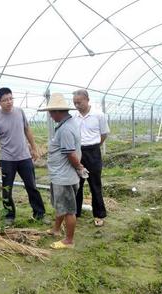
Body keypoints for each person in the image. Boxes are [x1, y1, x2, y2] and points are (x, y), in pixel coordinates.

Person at [0, 87, 48, 225]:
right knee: (7, 189)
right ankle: (9, 215)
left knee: (31, 186)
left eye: (11, 98)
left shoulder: (20, 112)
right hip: (7, 159)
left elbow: (27, 130)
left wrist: (34, 148)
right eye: (5, 100)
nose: (9, 102)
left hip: (25, 157)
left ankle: (39, 213)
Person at [38, 93, 82, 249]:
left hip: (65, 177)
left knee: (69, 209)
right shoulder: (67, 125)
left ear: (58, 111)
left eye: (51, 113)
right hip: (61, 175)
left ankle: (69, 241)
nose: (50, 116)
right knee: (61, 205)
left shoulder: (65, 130)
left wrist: (79, 167)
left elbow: (71, 154)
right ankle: (56, 229)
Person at [72, 89, 110, 227]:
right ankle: (75, 212)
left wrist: (95, 145)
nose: (77, 105)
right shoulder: (73, 117)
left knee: (95, 184)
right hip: (78, 152)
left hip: (93, 152)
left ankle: (99, 214)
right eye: (75, 103)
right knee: (77, 184)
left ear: (87, 100)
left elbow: (104, 134)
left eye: (79, 102)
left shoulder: (98, 115)